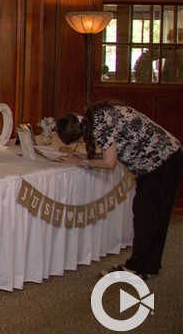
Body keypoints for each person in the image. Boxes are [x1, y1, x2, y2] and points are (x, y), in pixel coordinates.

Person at [56, 101, 182, 279]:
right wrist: (85, 157)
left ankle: (135, 268)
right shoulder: (96, 115)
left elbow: (109, 163)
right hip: (168, 156)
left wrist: (81, 162)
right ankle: (148, 266)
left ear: (80, 135)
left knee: (145, 217)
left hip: (159, 163)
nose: (81, 144)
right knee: (155, 217)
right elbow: (115, 149)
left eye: (78, 142)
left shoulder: (99, 127)